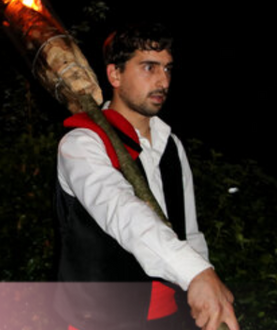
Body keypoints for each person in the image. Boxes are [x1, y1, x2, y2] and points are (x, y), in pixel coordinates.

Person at [54, 23, 238, 330]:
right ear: (114, 75)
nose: (163, 80)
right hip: (99, 320)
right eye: (149, 67)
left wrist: (202, 283)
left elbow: (189, 232)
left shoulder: (171, 145)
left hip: (171, 317)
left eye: (167, 69)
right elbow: (123, 213)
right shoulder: (83, 143)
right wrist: (194, 272)